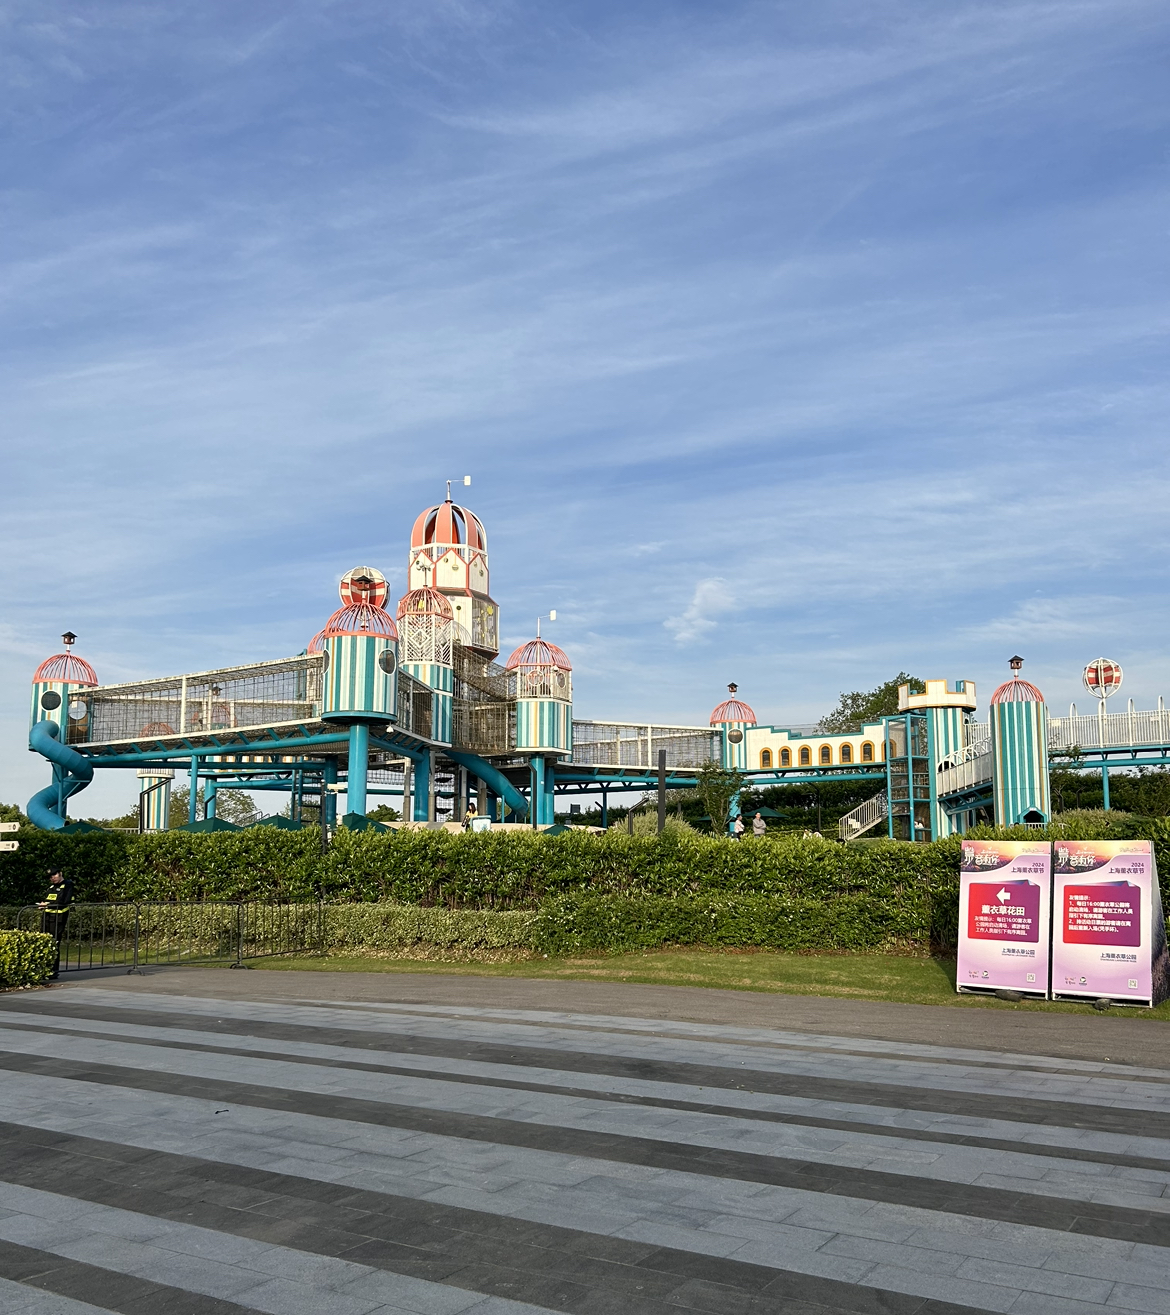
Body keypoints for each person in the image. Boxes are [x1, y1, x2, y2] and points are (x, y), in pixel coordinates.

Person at [37, 868, 74, 979]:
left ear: (60, 874)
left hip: (58, 919)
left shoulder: (67, 885)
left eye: (54, 875)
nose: (52, 878)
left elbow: (64, 901)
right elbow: (47, 900)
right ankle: (44, 969)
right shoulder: (51, 888)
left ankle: (53, 970)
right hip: (47, 918)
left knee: (54, 944)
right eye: (50, 877)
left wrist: (47, 905)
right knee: (44, 943)